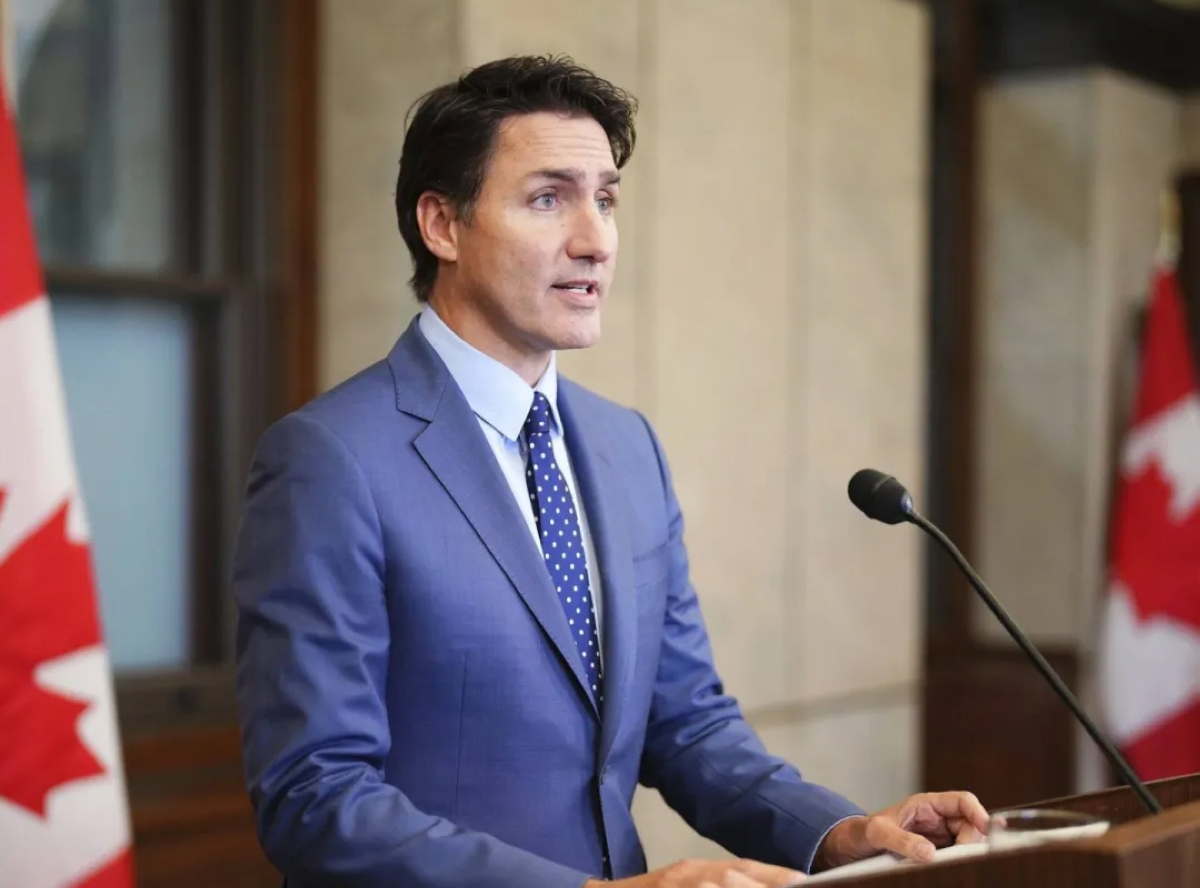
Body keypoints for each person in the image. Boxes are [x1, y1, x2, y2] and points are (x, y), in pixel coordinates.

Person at [232, 55, 988, 888]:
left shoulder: (627, 447)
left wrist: (839, 834)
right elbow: (315, 796)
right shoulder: (330, 460)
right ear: (442, 224)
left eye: (606, 199)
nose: (594, 241)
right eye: (548, 199)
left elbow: (688, 725)